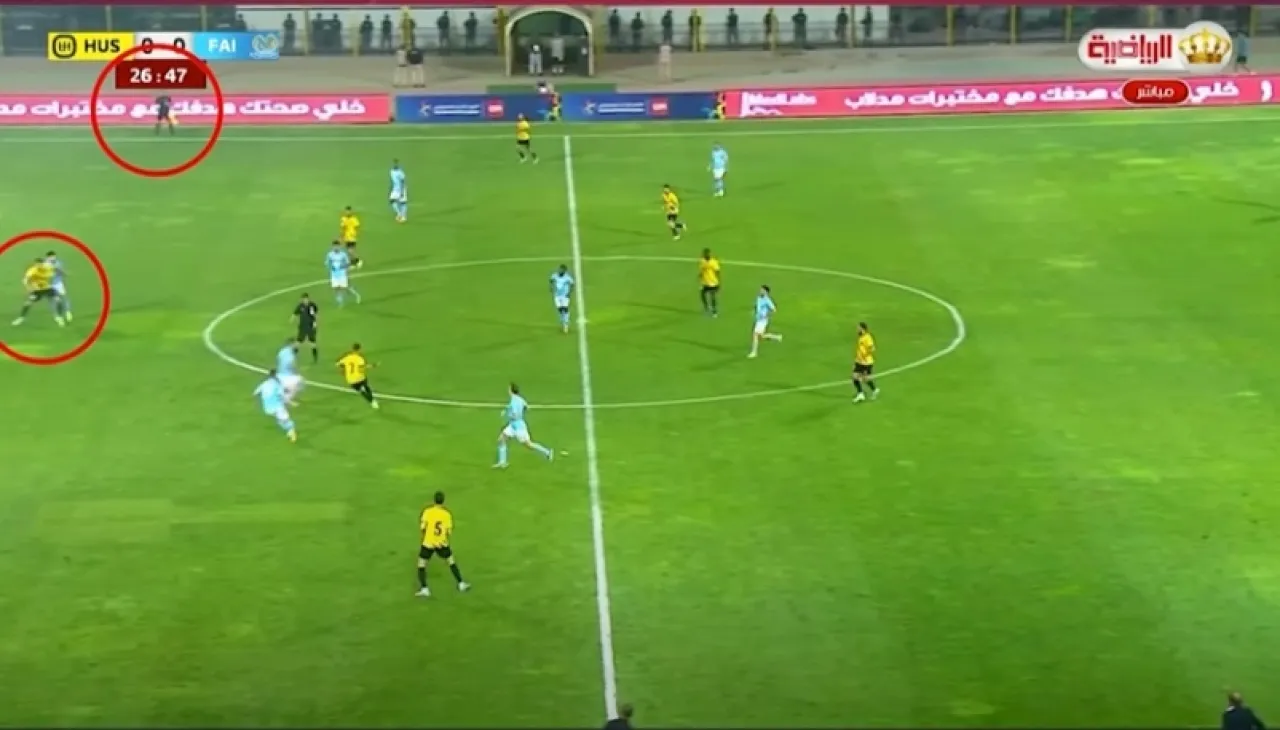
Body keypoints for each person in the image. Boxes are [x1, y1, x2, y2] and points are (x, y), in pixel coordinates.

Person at [415, 491, 471, 597]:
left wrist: (427, 537)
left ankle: (424, 589)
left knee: (421, 564)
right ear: (443, 501)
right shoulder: (446, 514)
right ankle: (461, 584)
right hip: (442, 543)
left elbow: (422, 527)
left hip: (428, 543)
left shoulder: (427, 512)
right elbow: (448, 531)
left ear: (434, 500)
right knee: (451, 562)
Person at [494, 383, 555, 468]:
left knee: (529, 445)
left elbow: (515, 414)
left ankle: (547, 452)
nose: (508, 390)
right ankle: (502, 462)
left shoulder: (514, 400)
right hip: (513, 426)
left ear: (511, 390)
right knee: (502, 439)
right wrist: (507, 409)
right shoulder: (519, 399)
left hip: (519, 427)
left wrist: (508, 415)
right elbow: (527, 407)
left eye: (509, 389)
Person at [13, 256, 64, 327]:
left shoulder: (48, 267)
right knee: (28, 303)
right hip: (37, 290)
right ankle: (21, 318)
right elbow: (25, 280)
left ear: (42, 264)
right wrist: (28, 288)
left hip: (47, 288)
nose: (38, 266)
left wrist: (63, 273)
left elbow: (56, 268)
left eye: (39, 264)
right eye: (36, 264)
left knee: (58, 300)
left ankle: (59, 318)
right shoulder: (32, 270)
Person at [253, 369, 298, 443]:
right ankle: (292, 432)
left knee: (280, 421)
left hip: (267, 409)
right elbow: (282, 395)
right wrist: (290, 402)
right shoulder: (277, 384)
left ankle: (289, 431)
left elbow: (255, 393)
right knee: (286, 420)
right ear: (275, 376)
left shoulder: (264, 383)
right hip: (277, 407)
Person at [337, 343, 379, 409]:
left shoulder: (346, 357)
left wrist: (343, 370)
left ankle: (372, 402)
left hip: (351, 380)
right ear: (359, 349)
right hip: (360, 377)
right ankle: (373, 400)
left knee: (361, 392)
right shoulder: (360, 358)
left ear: (352, 349)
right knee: (367, 387)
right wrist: (373, 366)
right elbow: (362, 368)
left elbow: (338, 364)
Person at [747, 285, 781, 358]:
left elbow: (774, 309)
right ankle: (776, 337)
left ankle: (754, 352)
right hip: (758, 319)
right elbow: (757, 306)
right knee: (761, 336)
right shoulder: (758, 298)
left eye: (762, 290)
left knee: (755, 335)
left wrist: (766, 315)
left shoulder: (767, 300)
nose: (760, 291)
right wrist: (754, 311)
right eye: (760, 290)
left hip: (763, 321)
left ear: (766, 292)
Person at [325, 241, 361, 306]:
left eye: (337, 246)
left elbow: (348, 263)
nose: (335, 248)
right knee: (336, 288)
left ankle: (357, 296)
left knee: (345, 288)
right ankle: (340, 302)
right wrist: (331, 266)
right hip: (334, 274)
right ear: (332, 247)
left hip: (342, 274)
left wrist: (343, 266)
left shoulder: (343, 254)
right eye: (334, 246)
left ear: (339, 247)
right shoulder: (330, 254)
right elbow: (327, 263)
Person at [852, 321, 878, 403]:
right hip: (859, 361)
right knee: (855, 377)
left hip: (866, 362)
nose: (857, 329)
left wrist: (865, 354)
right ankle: (861, 394)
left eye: (858, 328)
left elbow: (872, 348)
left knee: (865, 379)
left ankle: (874, 390)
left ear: (862, 328)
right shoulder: (861, 337)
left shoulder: (867, 337)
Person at [292, 293, 319, 363]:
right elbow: (295, 313)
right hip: (302, 327)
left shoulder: (312, 305)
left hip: (310, 327)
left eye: (306, 299)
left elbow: (315, 314)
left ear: (308, 298)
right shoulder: (300, 306)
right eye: (304, 299)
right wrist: (292, 319)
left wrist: (315, 322)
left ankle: (315, 358)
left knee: (312, 343)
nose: (305, 300)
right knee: (298, 342)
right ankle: (292, 357)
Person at [275, 340, 303, 405]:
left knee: (290, 386)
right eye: (294, 344)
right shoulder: (290, 355)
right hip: (288, 376)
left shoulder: (282, 351)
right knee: (299, 382)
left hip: (279, 374)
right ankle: (287, 399)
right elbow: (291, 365)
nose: (296, 345)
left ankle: (282, 394)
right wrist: (296, 372)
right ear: (291, 344)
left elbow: (278, 359)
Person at [46, 251, 71, 322]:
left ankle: (68, 312)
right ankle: (57, 316)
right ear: (48, 257)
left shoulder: (58, 263)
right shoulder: (44, 264)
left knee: (64, 297)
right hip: (49, 285)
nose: (53, 258)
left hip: (58, 283)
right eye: (51, 257)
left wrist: (63, 273)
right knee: (53, 301)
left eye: (54, 256)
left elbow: (60, 271)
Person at [549, 264, 575, 333]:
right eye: (560, 269)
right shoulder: (555, 275)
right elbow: (551, 280)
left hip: (565, 296)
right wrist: (551, 287)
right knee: (560, 310)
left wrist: (569, 292)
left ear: (564, 271)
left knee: (565, 309)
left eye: (562, 270)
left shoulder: (567, 277)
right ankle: (564, 321)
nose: (560, 270)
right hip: (557, 296)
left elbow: (572, 284)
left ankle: (566, 324)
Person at [698, 248, 720, 317]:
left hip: (713, 282)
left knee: (712, 297)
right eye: (705, 254)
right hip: (705, 282)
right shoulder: (702, 261)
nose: (707, 255)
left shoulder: (713, 262)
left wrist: (718, 282)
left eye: (708, 254)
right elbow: (702, 270)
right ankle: (707, 307)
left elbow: (717, 271)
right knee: (702, 295)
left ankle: (714, 311)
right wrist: (700, 276)